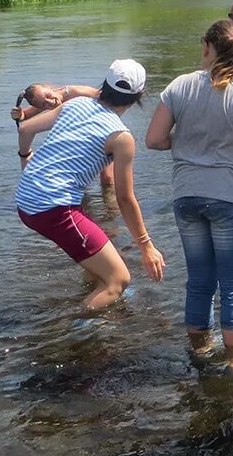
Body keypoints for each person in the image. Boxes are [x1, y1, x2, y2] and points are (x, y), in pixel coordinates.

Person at [145, 20, 233, 367]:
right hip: (230, 197)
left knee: (200, 279)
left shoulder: (179, 85)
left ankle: (200, 350)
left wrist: (186, 143)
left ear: (206, 48)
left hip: (186, 196)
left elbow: (153, 140)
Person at [16, 59, 165, 310]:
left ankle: (96, 294)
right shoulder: (121, 137)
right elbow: (125, 198)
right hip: (53, 208)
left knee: (99, 262)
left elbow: (25, 129)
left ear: (105, 84)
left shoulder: (76, 104)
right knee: (119, 280)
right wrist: (146, 245)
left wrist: (25, 157)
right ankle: (71, 337)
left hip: (26, 199)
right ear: (138, 96)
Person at [12, 83, 112, 186]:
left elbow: (108, 101)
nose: (50, 102)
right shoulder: (46, 100)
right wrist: (19, 115)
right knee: (77, 181)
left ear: (50, 87)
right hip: (80, 141)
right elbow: (26, 115)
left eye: (48, 95)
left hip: (103, 133)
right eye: (43, 105)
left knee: (107, 179)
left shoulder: (76, 93)